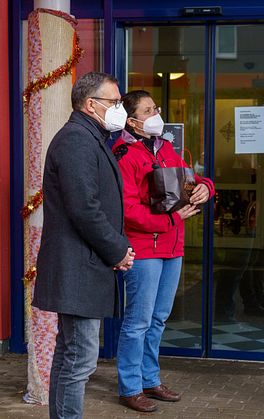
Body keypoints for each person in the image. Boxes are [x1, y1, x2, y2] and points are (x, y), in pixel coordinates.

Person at [32, 71, 136, 419]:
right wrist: (118, 250)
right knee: (79, 362)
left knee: (69, 356)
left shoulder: (88, 137)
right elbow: (84, 208)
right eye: (115, 102)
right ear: (91, 105)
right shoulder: (77, 140)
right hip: (78, 268)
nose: (120, 108)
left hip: (82, 267)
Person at [112, 90, 215, 412]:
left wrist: (205, 187)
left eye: (156, 107)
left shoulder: (165, 147)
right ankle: (130, 387)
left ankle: (149, 379)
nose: (156, 113)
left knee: (157, 319)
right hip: (144, 248)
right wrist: (170, 218)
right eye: (148, 110)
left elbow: (191, 178)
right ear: (132, 121)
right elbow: (126, 209)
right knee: (138, 322)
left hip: (172, 246)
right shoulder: (123, 153)